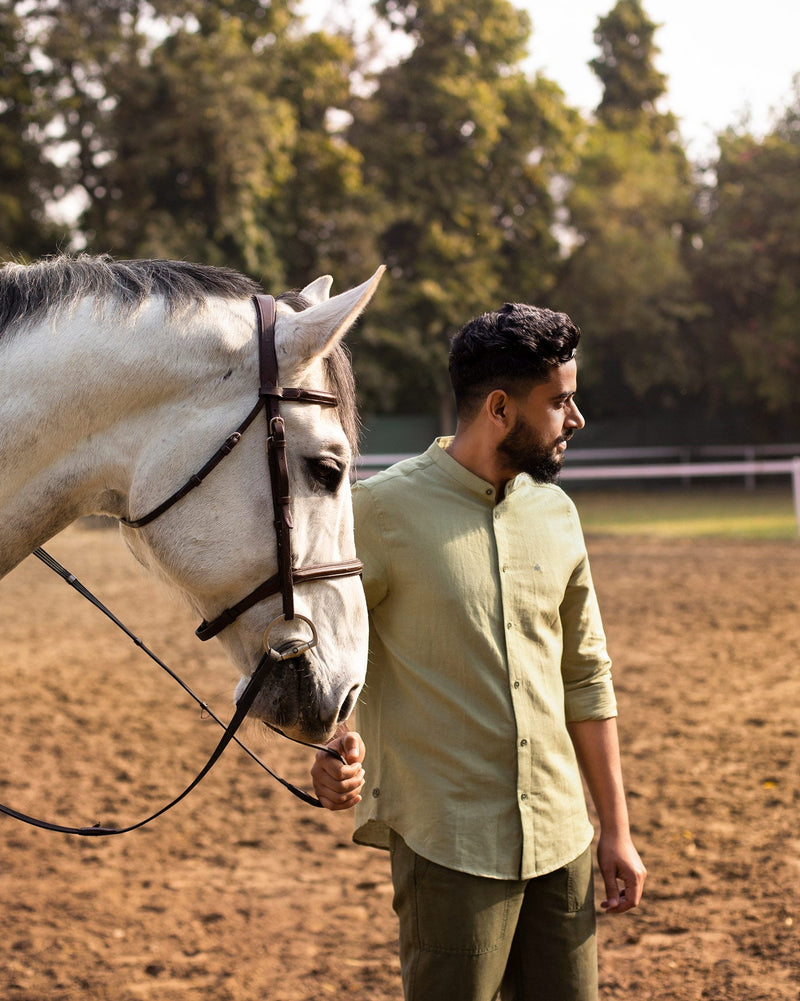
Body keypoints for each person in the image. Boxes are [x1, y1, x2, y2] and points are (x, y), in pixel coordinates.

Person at [311, 302, 646, 1001]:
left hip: (563, 842)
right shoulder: (378, 514)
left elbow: (586, 675)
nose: (575, 419)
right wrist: (328, 751)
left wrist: (615, 829)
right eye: (559, 401)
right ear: (500, 407)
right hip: (448, 847)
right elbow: (327, 657)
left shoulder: (558, 514)